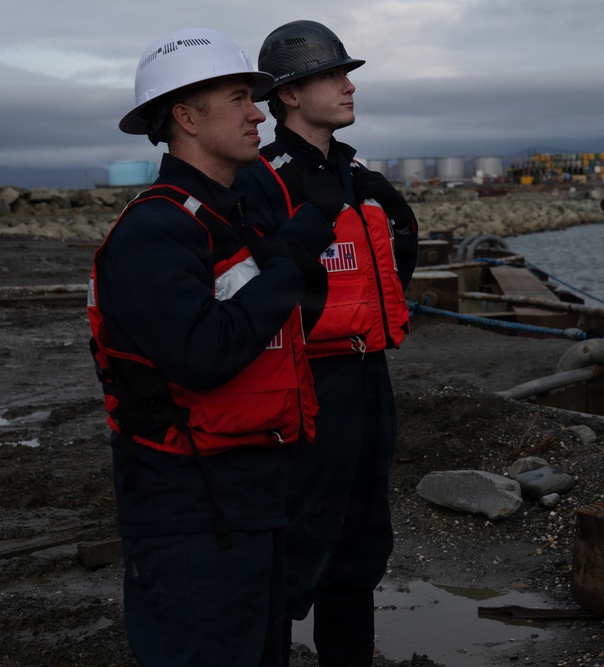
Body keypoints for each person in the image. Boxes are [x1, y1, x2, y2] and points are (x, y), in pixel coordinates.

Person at [88, 26, 336, 667]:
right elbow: (203, 355)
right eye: (238, 98)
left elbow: (282, 326)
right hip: (190, 510)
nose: (259, 111)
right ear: (186, 116)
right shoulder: (155, 230)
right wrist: (290, 265)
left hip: (251, 491)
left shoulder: (230, 217)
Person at [234, 19, 418, 667]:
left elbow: (393, 262)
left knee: (362, 542)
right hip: (307, 384)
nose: (348, 85)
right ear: (288, 93)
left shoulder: (353, 171)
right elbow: (246, 288)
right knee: (294, 543)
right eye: (334, 74)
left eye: (347, 73)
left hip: (371, 381)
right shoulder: (262, 179)